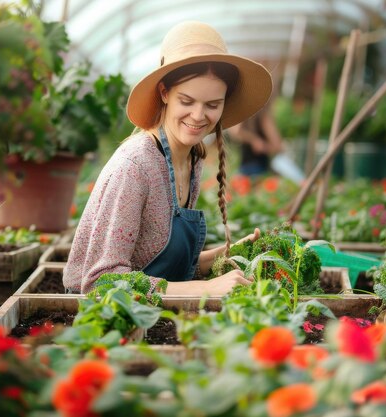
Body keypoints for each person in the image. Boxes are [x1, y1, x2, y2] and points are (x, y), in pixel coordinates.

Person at [63, 21, 273, 296]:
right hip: (97, 318)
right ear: (164, 93)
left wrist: (228, 254)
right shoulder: (136, 165)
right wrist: (206, 289)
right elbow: (102, 282)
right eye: (186, 101)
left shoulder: (192, 160)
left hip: (146, 311)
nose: (199, 116)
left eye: (212, 105)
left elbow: (160, 271)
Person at [228, 104, 284, 176]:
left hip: (256, 168)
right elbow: (236, 132)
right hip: (252, 168)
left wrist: (262, 145)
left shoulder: (262, 116)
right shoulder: (262, 116)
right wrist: (254, 140)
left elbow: (277, 146)